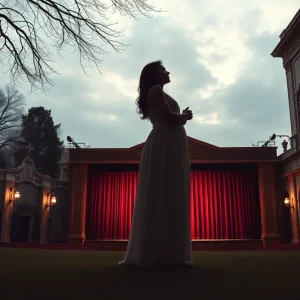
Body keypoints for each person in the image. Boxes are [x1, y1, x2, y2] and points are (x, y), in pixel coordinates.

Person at [119, 60, 193, 268]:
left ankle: (168, 252)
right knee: (163, 190)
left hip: (170, 142)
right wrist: (185, 116)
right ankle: (158, 252)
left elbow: (169, 117)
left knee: (169, 192)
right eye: (163, 70)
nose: (167, 71)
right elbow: (169, 118)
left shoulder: (158, 91)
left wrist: (181, 117)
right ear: (154, 75)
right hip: (165, 143)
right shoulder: (156, 90)